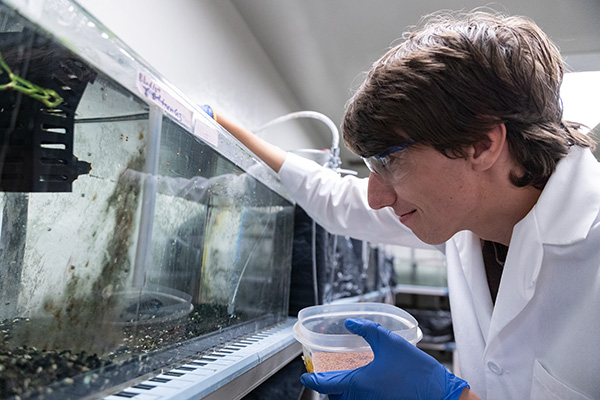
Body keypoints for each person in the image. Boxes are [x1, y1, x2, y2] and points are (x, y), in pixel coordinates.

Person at [205, 10, 600, 400]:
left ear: (481, 145)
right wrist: (228, 127)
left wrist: (449, 398)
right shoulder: (465, 215)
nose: (376, 197)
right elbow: (335, 199)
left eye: (388, 161)